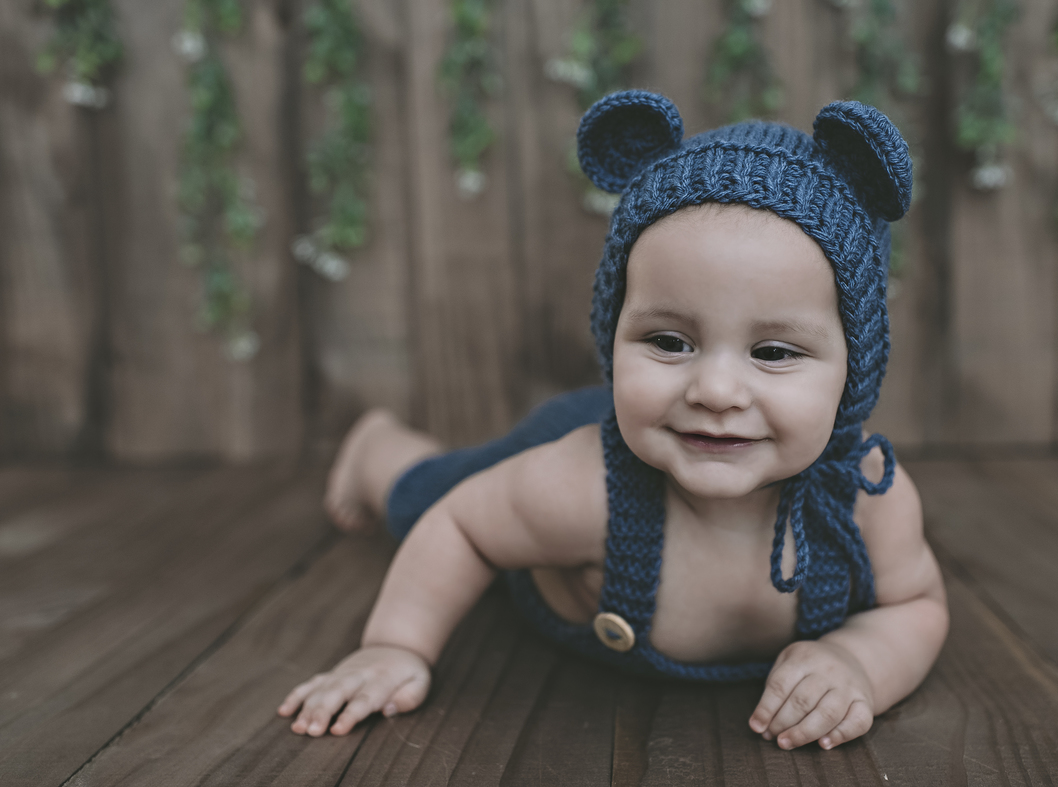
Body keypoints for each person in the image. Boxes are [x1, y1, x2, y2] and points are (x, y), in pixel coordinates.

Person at [277, 91, 948, 751]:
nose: (714, 388)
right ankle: (378, 450)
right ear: (615, 333)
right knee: (424, 494)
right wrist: (396, 645)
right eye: (668, 341)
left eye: (773, 352)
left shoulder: (867, 498)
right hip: (575, 440)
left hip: (650, 441)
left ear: (853, 369)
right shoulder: (576, 486)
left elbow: (917, 606)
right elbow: (460, 526)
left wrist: (860, 658)